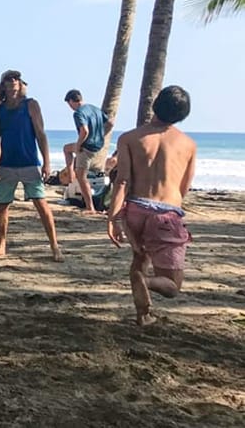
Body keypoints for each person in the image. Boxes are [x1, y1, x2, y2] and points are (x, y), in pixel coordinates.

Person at [107, 85, 197, 326]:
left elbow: (122, 180)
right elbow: (183, 188)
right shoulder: (188, 144)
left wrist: (113, 217)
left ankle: (143, 314)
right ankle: (145, 284)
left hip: (135, 209)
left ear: (156, 104)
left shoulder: (129, 138)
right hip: (166, 213)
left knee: (139, 261)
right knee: (172, 286)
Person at [0, 70, 63, 262]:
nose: (13, 82)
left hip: (29, 163)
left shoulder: (31, 105)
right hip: (7, 164)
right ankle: (1, 245)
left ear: (20, 84)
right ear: (3, 85)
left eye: (16, 79)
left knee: (41, 204)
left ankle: (55, 246)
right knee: (2, 206)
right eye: (9, 80)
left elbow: (41, 134)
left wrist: (47, 162)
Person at [62, 89, 114, 215]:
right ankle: (70, 176)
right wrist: (102, 135)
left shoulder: (78, 113)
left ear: (71, 101)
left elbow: (84, 131)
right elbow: (110, 123)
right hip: (98, 145)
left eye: (69, 104)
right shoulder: (94, 109)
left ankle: (90, 207)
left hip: (86, 147)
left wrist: (79, 145)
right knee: (66, 148)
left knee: (81, 177)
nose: (70, 108)